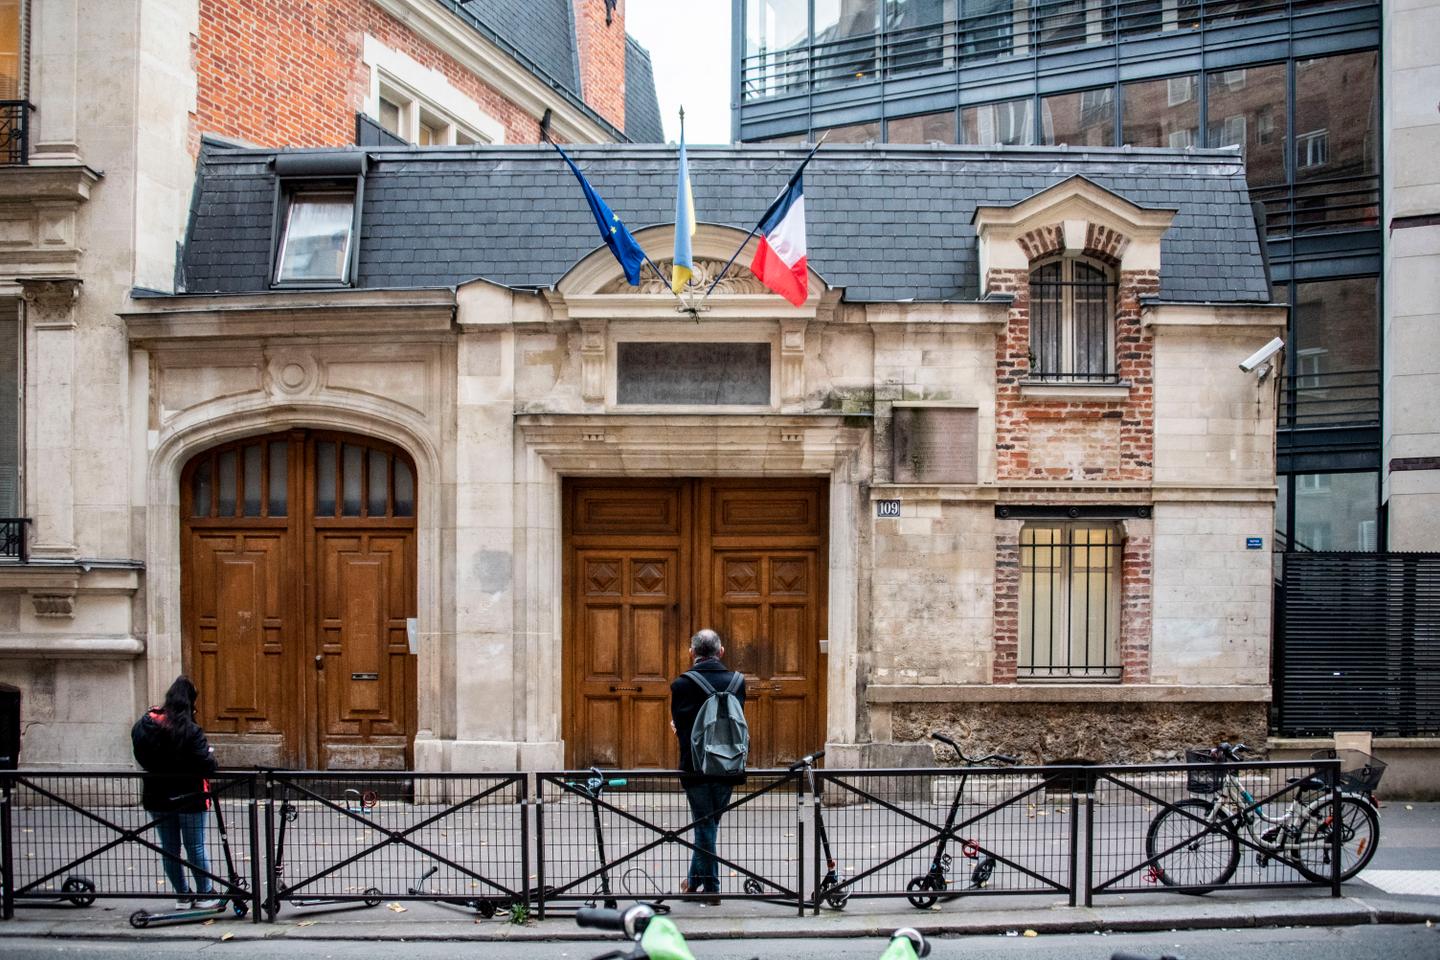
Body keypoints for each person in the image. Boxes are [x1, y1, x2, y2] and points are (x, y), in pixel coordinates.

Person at [131, 675, 223, 910]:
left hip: (157, 794)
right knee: (196, 847)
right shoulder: (190, 730)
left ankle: (182, 895)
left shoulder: (145, 724)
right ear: (190, 702)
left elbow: (141, 757)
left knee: (169, 848)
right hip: (190, 795)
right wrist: (208, 755)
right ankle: (205, 894)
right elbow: (208, 765)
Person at [669, 628, 747, 903]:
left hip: (695, 766)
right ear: (721, 651)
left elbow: (682, 728)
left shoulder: (681, 685)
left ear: (692, 653)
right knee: (709, 824)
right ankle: (692, 883)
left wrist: (677, 729)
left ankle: (711, 888)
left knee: (704, 825)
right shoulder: (737, 682)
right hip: (729, 764)